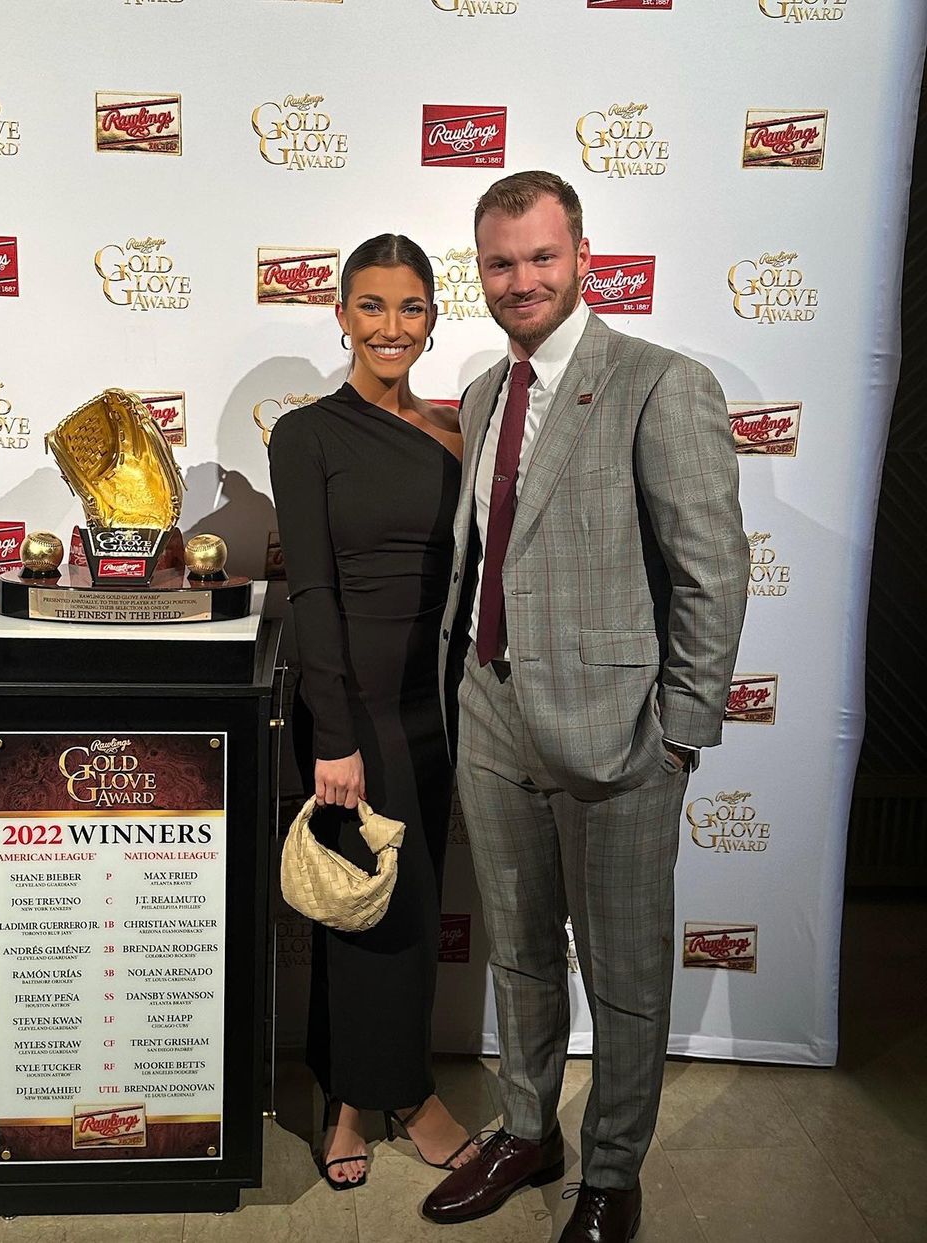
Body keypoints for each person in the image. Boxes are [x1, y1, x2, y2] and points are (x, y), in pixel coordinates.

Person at [423, 172, 749, 1242]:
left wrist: (682, 734)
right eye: (500, 263)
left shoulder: (662, 383)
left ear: (583, 256)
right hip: (492, 710)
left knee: (626, 971)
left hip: (622, 741)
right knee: (516, 949)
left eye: (540, 257)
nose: (521, 280)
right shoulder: (481, 395)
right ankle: (528, 1129)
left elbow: (712, 571)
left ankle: (612, 1172)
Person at [268, 234, 478, 1190]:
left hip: (439, 703)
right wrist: (337, 736)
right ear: (342, 315)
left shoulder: (453, 432)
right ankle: (383, 1097)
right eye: (372, 306)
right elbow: (309, 589)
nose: (391, 326)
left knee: (414, 895)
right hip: (351, 707)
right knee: (366, 903)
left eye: (411, 308)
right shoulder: (306, 435)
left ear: (432, 319)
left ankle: (358, 1084)